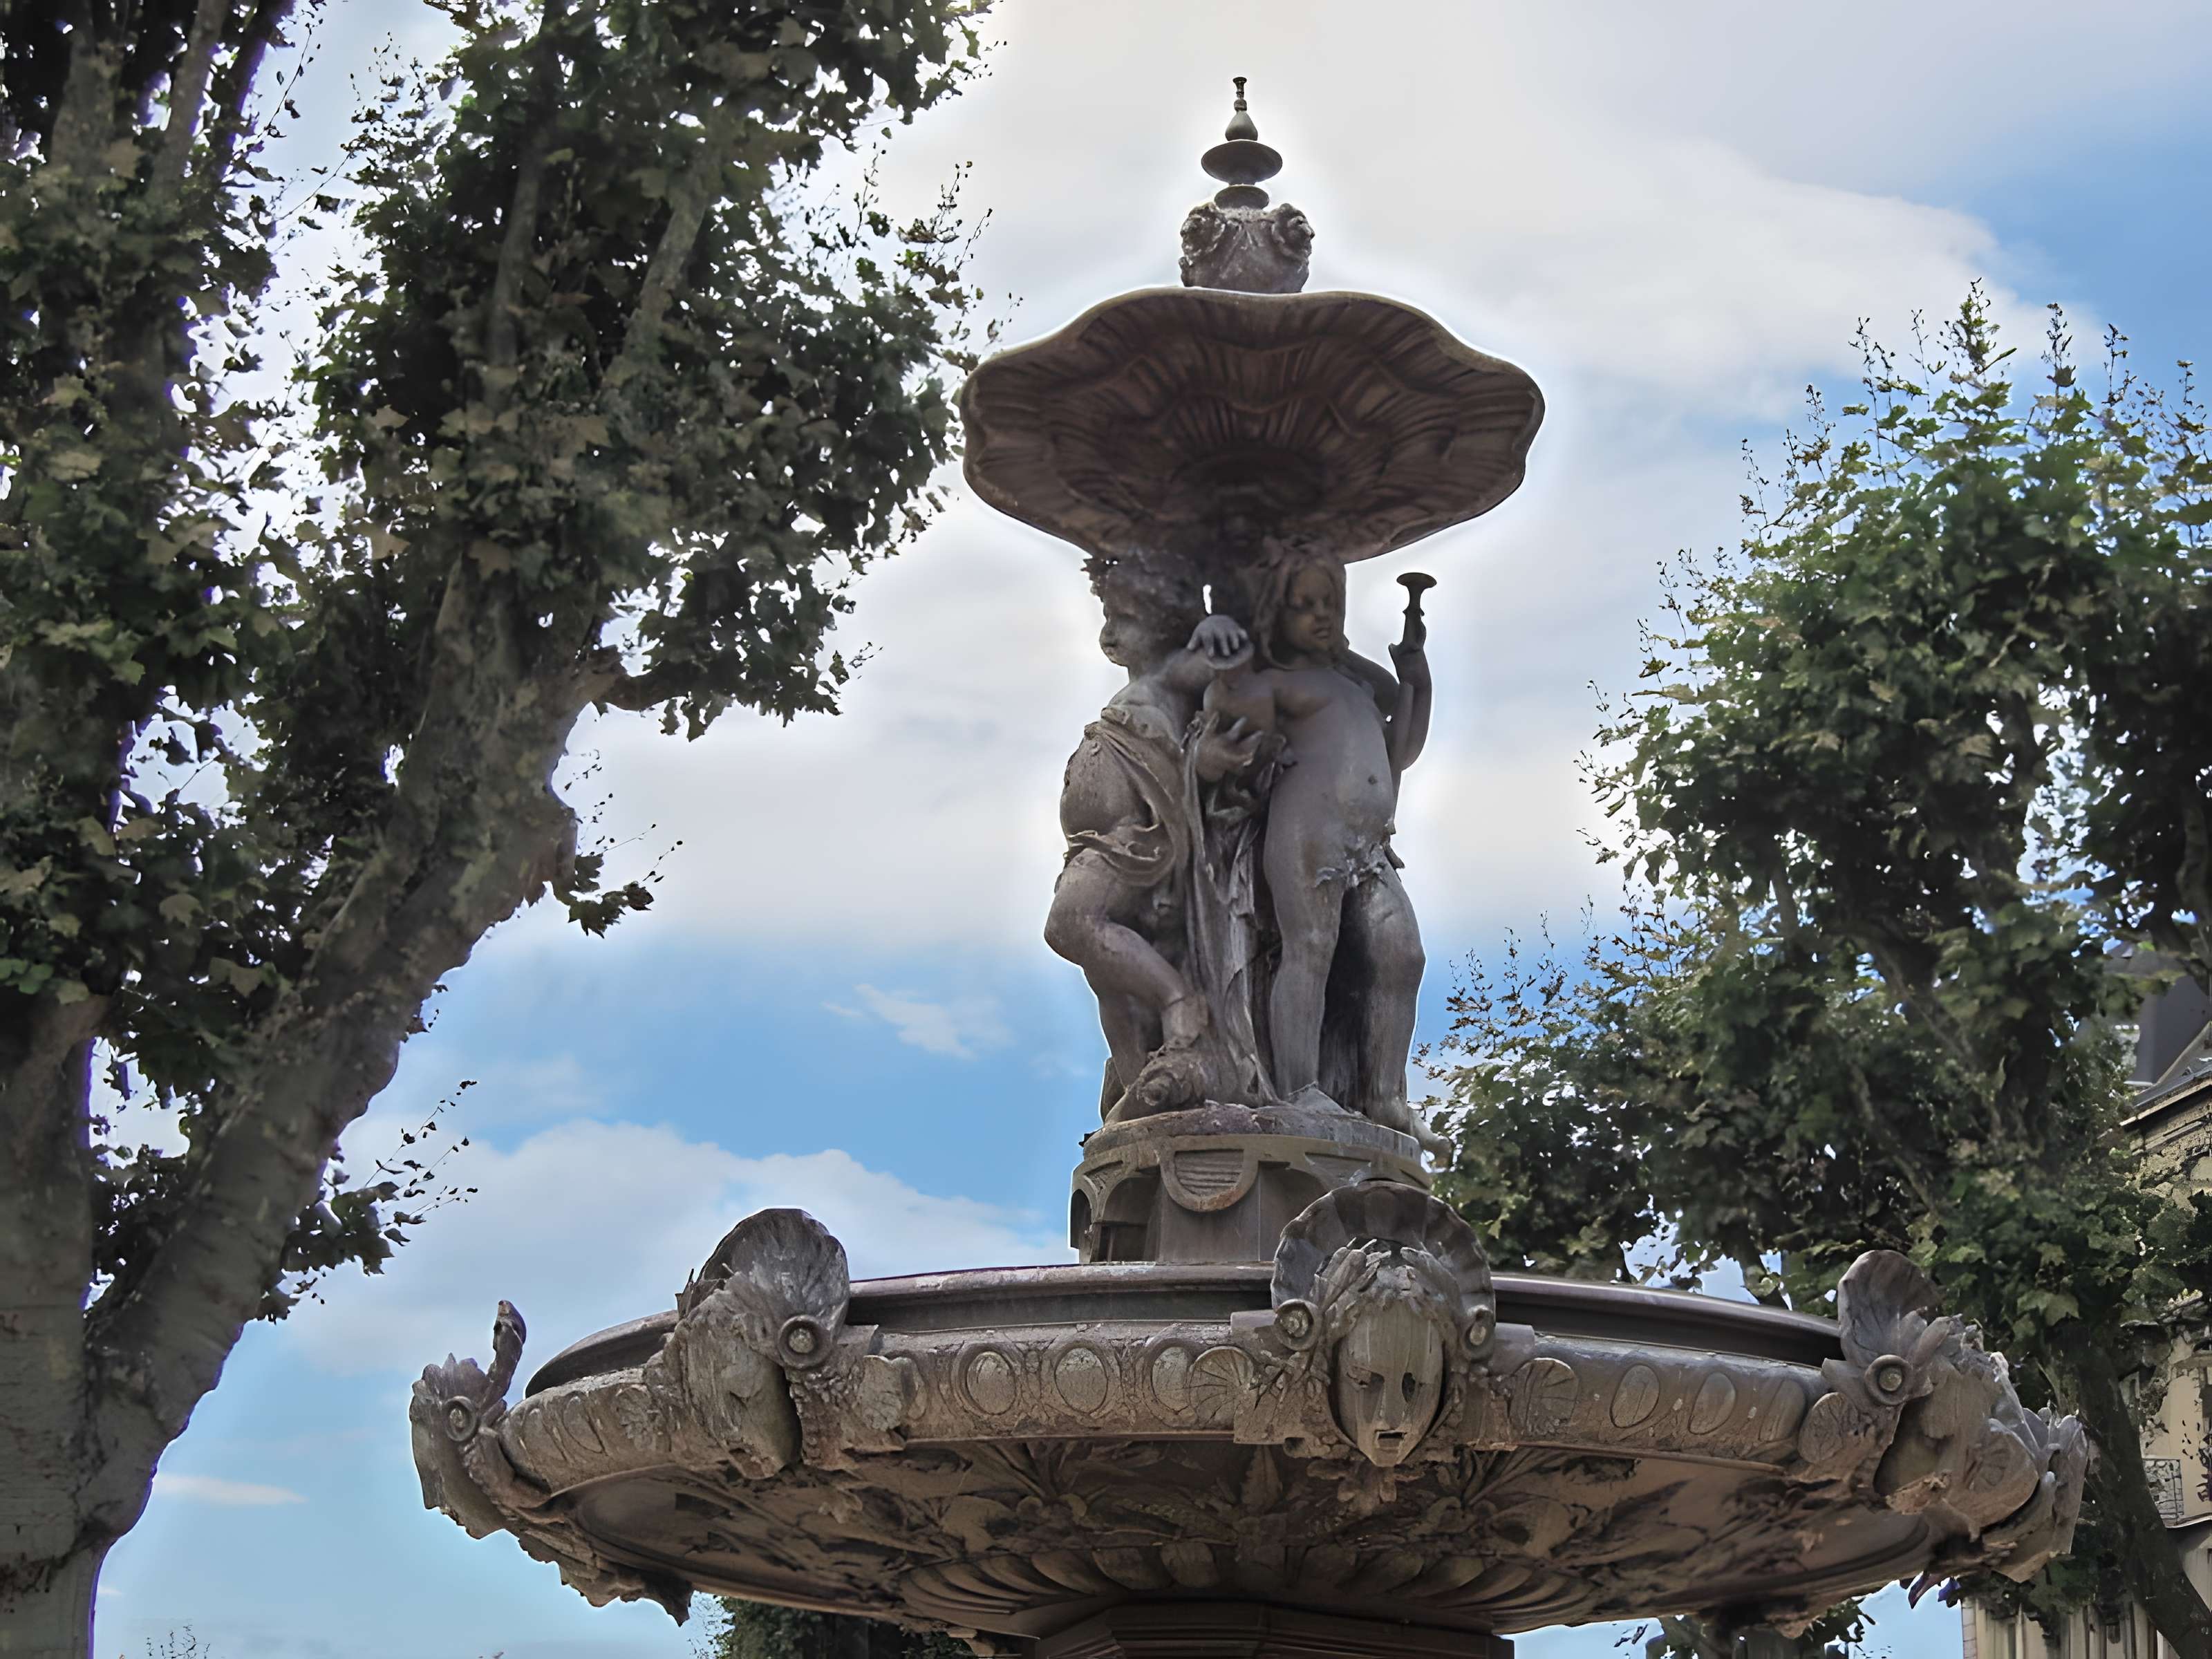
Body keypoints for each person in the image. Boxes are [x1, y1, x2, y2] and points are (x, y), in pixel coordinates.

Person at [1211, 545, 1435, 1142]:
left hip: (1371, 844)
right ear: (1274, 613)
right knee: (1309, 949)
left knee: (1403, 955)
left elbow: (1401, 750)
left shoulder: (1352, 686)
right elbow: (1225, 712)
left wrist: (1417, 679)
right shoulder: (1278, 683)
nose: (1321, 615)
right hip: (1309, 832)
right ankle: (1300, 1090)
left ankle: (1384, 1096)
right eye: (1303, 605)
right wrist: (1222, 646)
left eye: (1330, 603)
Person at [1046, 559, 1253, 1121]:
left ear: (1165, 624)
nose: (1109, 632)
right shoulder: (1139, 686)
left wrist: (1213, 626)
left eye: (1125, 619)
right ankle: (1139, 1086)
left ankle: (1179, 1000)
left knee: (1070, 924)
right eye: (1108, 617)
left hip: (1136, 841)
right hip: (1095, 844)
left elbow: (1226, 665)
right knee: (1107, 978)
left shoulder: (1169, 674)